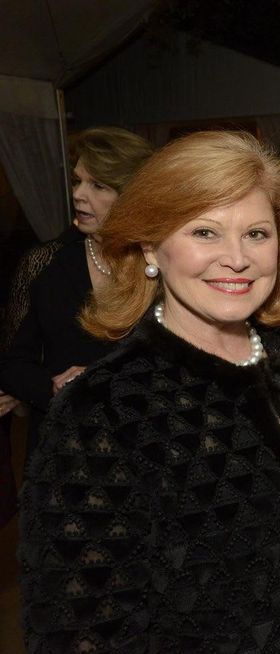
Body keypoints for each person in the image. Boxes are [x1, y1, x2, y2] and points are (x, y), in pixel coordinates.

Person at [18, 131, 280, 652]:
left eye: (256, 234)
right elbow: (81, 629)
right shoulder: (103, 412)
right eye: (205, 232)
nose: (237, 258)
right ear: (151, 245)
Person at [0, 127, 153, 454]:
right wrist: (55, 390)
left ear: (132, 194)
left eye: (98, 185)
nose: (79, 195)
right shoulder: (46, 263)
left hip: (145, 441)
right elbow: (14, 362)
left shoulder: (165, 264)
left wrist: (107, 381)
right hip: (64, 446)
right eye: (77, 181)